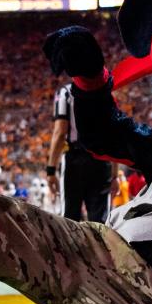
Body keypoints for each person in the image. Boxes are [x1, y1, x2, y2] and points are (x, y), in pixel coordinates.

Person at [48, 83, 115, 221]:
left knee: (69, 220)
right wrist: (115, 175)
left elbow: (60, 132)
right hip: (102, 157)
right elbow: (114, 134)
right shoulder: (105, 91)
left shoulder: (65, 92)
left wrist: (51, 169)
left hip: (74, 158)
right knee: (101, 222)